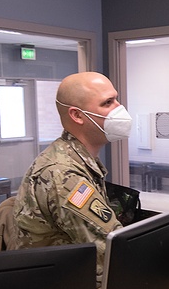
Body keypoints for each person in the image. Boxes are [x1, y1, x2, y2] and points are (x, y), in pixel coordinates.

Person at [12, 71, 131, 278]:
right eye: (108, 103)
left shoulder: (76, 157)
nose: (119, 108)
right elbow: (113, 251)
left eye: (116, 99)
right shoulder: (63, 175)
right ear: (77, 115)